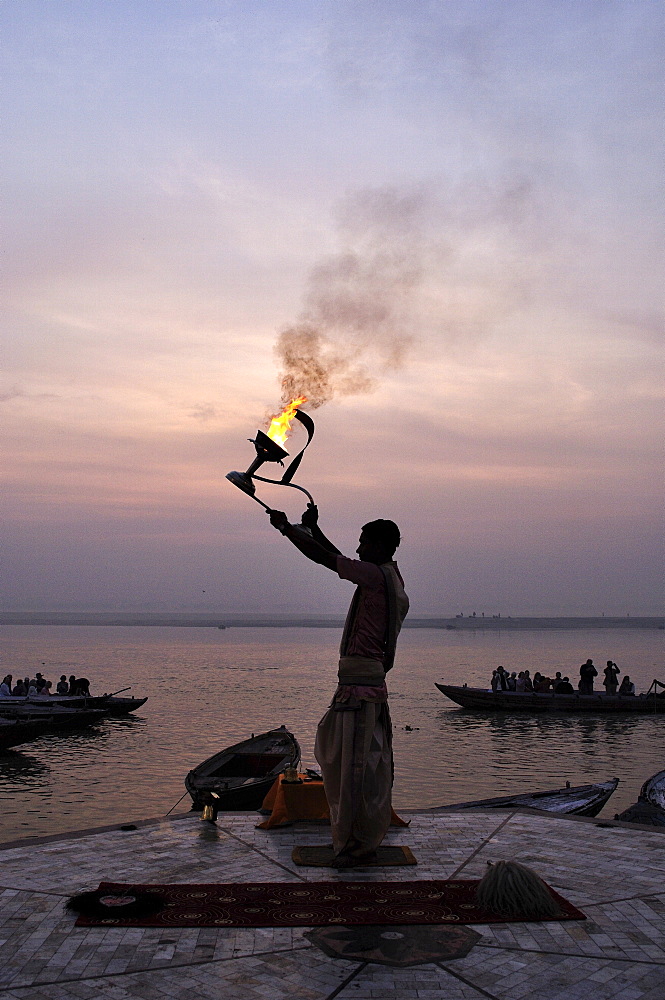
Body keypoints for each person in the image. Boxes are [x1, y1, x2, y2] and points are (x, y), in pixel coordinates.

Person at [268, 503, 409, 868]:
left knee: (353, 773)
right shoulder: (386, 576)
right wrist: (312, 529)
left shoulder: (377, 577)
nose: (359, 549)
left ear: (380, 546)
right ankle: (354, 839)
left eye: (364, 543)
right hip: (362, 685)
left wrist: (288, 530)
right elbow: (340, 559)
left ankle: (355, 844)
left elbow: (327, 561)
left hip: (360, 692)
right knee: (350, 767)